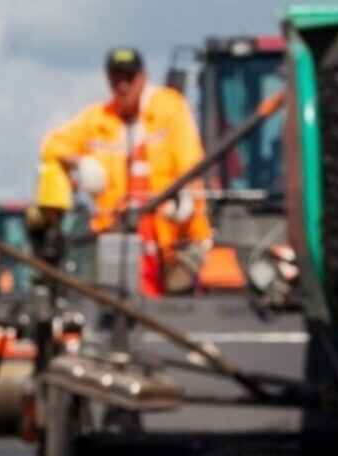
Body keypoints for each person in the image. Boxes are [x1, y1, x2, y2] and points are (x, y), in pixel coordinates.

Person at [38, 46, 213, 296]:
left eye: (129, 77)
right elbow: (51, 145)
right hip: (118, 243)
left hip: (174, 241)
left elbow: (189, 157)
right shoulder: (99, 119)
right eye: (116, 78)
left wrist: (185, 195)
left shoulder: (170, 107)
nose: (123, 85)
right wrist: (81, 162)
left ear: (142, 77)